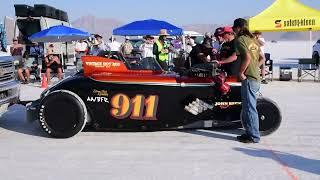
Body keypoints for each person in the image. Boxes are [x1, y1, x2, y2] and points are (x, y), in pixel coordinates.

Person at [233, 18, 262, 143]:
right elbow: (262, 58)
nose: (233, 31)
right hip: (254, 77)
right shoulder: (253, 40)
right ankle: (249, 132)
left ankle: (254, 136)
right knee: (246, 107)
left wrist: (241, 72)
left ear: (238, 28)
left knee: (250, 108)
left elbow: (247, 57)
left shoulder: (240, 39)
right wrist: (256, 68)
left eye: (234, 28)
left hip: (249, 78)